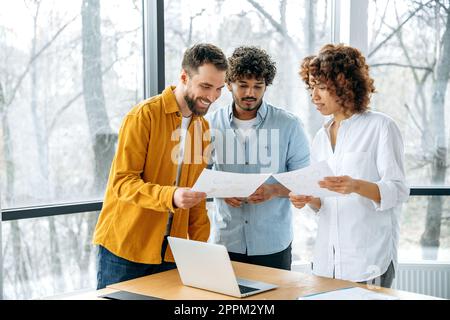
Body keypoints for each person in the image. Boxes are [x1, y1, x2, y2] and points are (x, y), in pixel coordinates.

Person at [93, 43, 228, 289]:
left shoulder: (203, 129)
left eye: (219, 89)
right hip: (124, 251)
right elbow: (122, 183)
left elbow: (196, 198)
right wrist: (172, 195)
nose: (212, 97)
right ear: (184, 77)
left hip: (171, 253)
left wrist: (201, 252)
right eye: (206, 86)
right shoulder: (144, 116)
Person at [290, 44, 409, 287]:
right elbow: (324, 203)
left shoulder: (381, 127)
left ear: (345, 86)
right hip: (326, 262)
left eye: (322, 88)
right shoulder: (320, 137)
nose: (314, 96)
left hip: (367, 260)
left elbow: (398, 190)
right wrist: (309, 198)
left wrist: (355, 186)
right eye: (312, 88)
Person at [206, 46, 310, 270]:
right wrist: (221, 190)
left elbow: (304, 181)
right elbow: (195, 176)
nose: (250, 93)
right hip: (226, 242)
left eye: (258, 86)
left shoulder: (289, 125)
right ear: (228, 84)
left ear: (266, 86)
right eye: (243, 85)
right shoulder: (209, 124)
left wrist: (274, 190)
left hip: (273, 244)